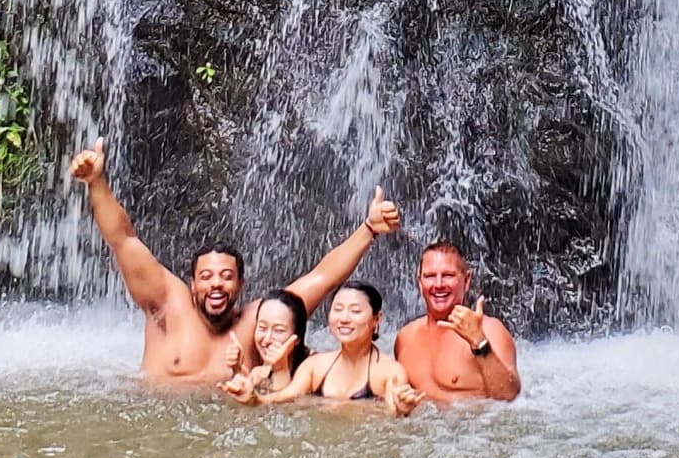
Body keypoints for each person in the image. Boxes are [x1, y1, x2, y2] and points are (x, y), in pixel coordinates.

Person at [68, 135, 402, 387]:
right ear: (193, 283)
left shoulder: (262, 319)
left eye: (226, 276)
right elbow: (124, 239)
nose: (216, 283)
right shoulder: (167, 303)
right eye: (207, 276)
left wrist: (369, 229)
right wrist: (97, 184)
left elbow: (324, 278)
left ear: (240, 284)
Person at [393, 240, 521, 403]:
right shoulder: (405, 337)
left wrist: (479, 342)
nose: (438, 284)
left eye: (448, 275)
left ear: (466, 281)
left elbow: (509, 396)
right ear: (420, 283)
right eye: (430, 276)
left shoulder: (490, 330)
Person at [277, 280, 421, 414]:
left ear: (376, 320)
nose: (344, 318)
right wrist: (257, 395)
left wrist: (402, 410)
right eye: (338, 309)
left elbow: (393, 416)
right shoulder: (314, 367)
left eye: (355, 311)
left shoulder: (389, 373)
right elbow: (282, 402)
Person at [219, 289, 309, 403]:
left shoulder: (312, 370)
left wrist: (280, 368)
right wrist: (237, 371)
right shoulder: (259, 374)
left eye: (278, 330)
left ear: (298, 337)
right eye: (262, 328)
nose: (266, 340)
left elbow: (284, 410)